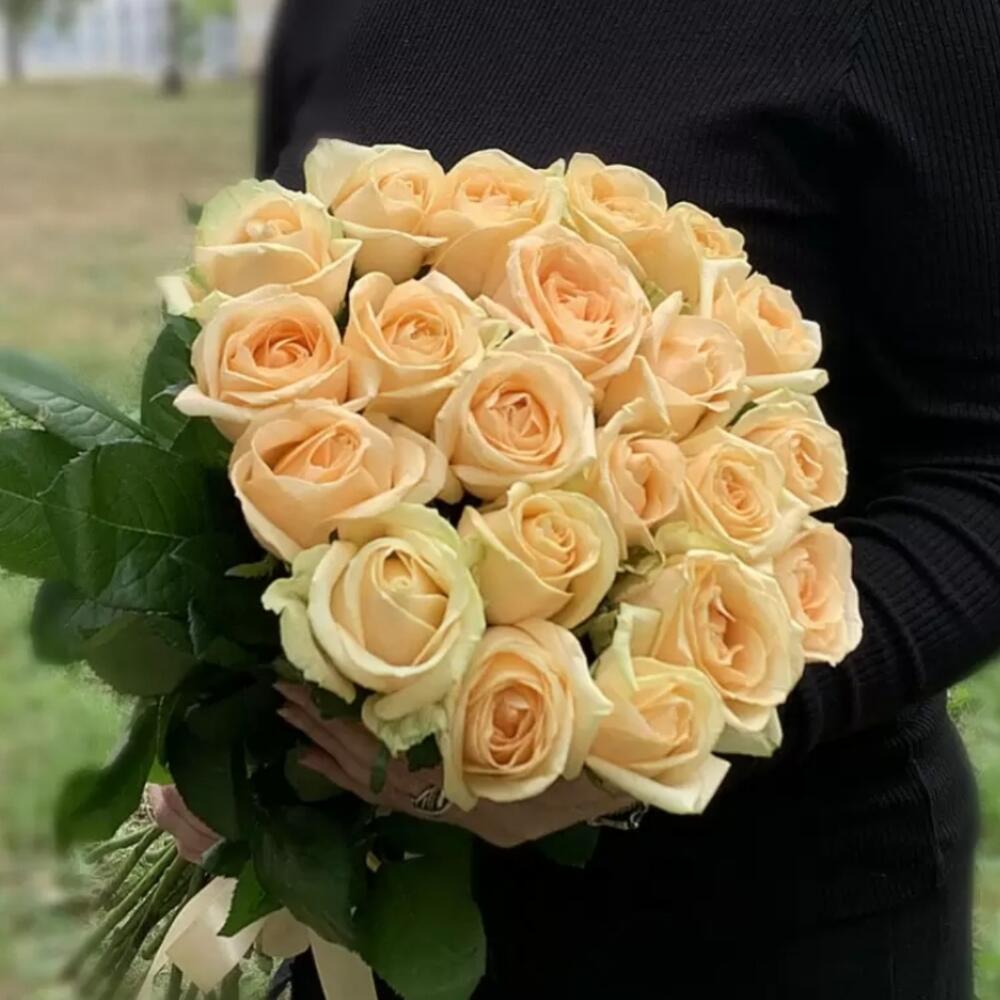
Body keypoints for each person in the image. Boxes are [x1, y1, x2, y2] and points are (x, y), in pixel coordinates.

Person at [243, 1, 1000, 996]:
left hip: (760, 922)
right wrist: (241, 740)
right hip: (373, 922)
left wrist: (642, 735)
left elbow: (981, 471)